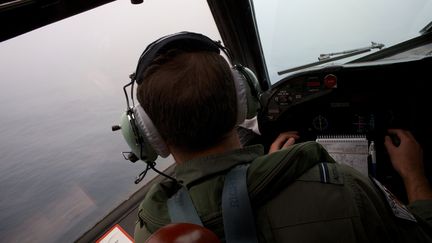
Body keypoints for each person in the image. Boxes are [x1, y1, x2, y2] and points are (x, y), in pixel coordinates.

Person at [132, 35, 432, 242]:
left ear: (149, 135)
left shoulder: (151, 232)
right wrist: (414, 175)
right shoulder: (347, 189)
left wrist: (261, 174)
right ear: (243, 100)